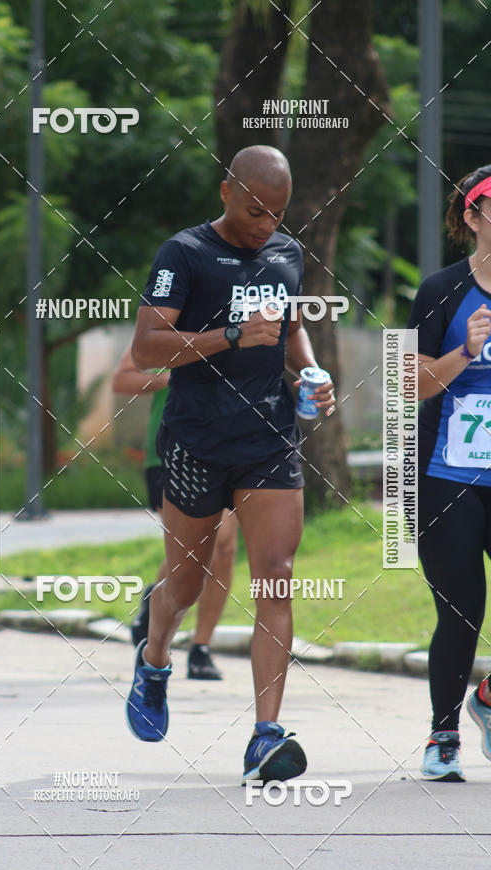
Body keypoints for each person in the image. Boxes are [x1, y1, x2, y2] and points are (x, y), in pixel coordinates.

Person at [124, 145, 335, 784]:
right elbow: (145, 347)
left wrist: (311, 372)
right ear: (225, 192)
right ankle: (155, 657)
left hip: (268, 438)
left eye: (277, 213)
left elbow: (291, 324)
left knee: (276, 573)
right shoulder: (183, 254)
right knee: (184, 584)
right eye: (254, 211)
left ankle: (265, 735)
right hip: (196, 440)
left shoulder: (287, 254)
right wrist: (231, 336)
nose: (265, 225)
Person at [409, 164, 491, 781]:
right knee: (460, 611)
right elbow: (406, 384)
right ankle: (444, 737)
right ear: (473, 216)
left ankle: (488, 698)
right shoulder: (439, 290)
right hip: (449, 476)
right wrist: (463, 351)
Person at [112, 344, 239, 679]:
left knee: (222, 548)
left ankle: (200, 648)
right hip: (172, 452)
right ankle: (157, 605)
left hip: (232, 449)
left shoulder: (248, 316)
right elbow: (123, 380)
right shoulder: (170, 320)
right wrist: (174, 379)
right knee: (199, 544)